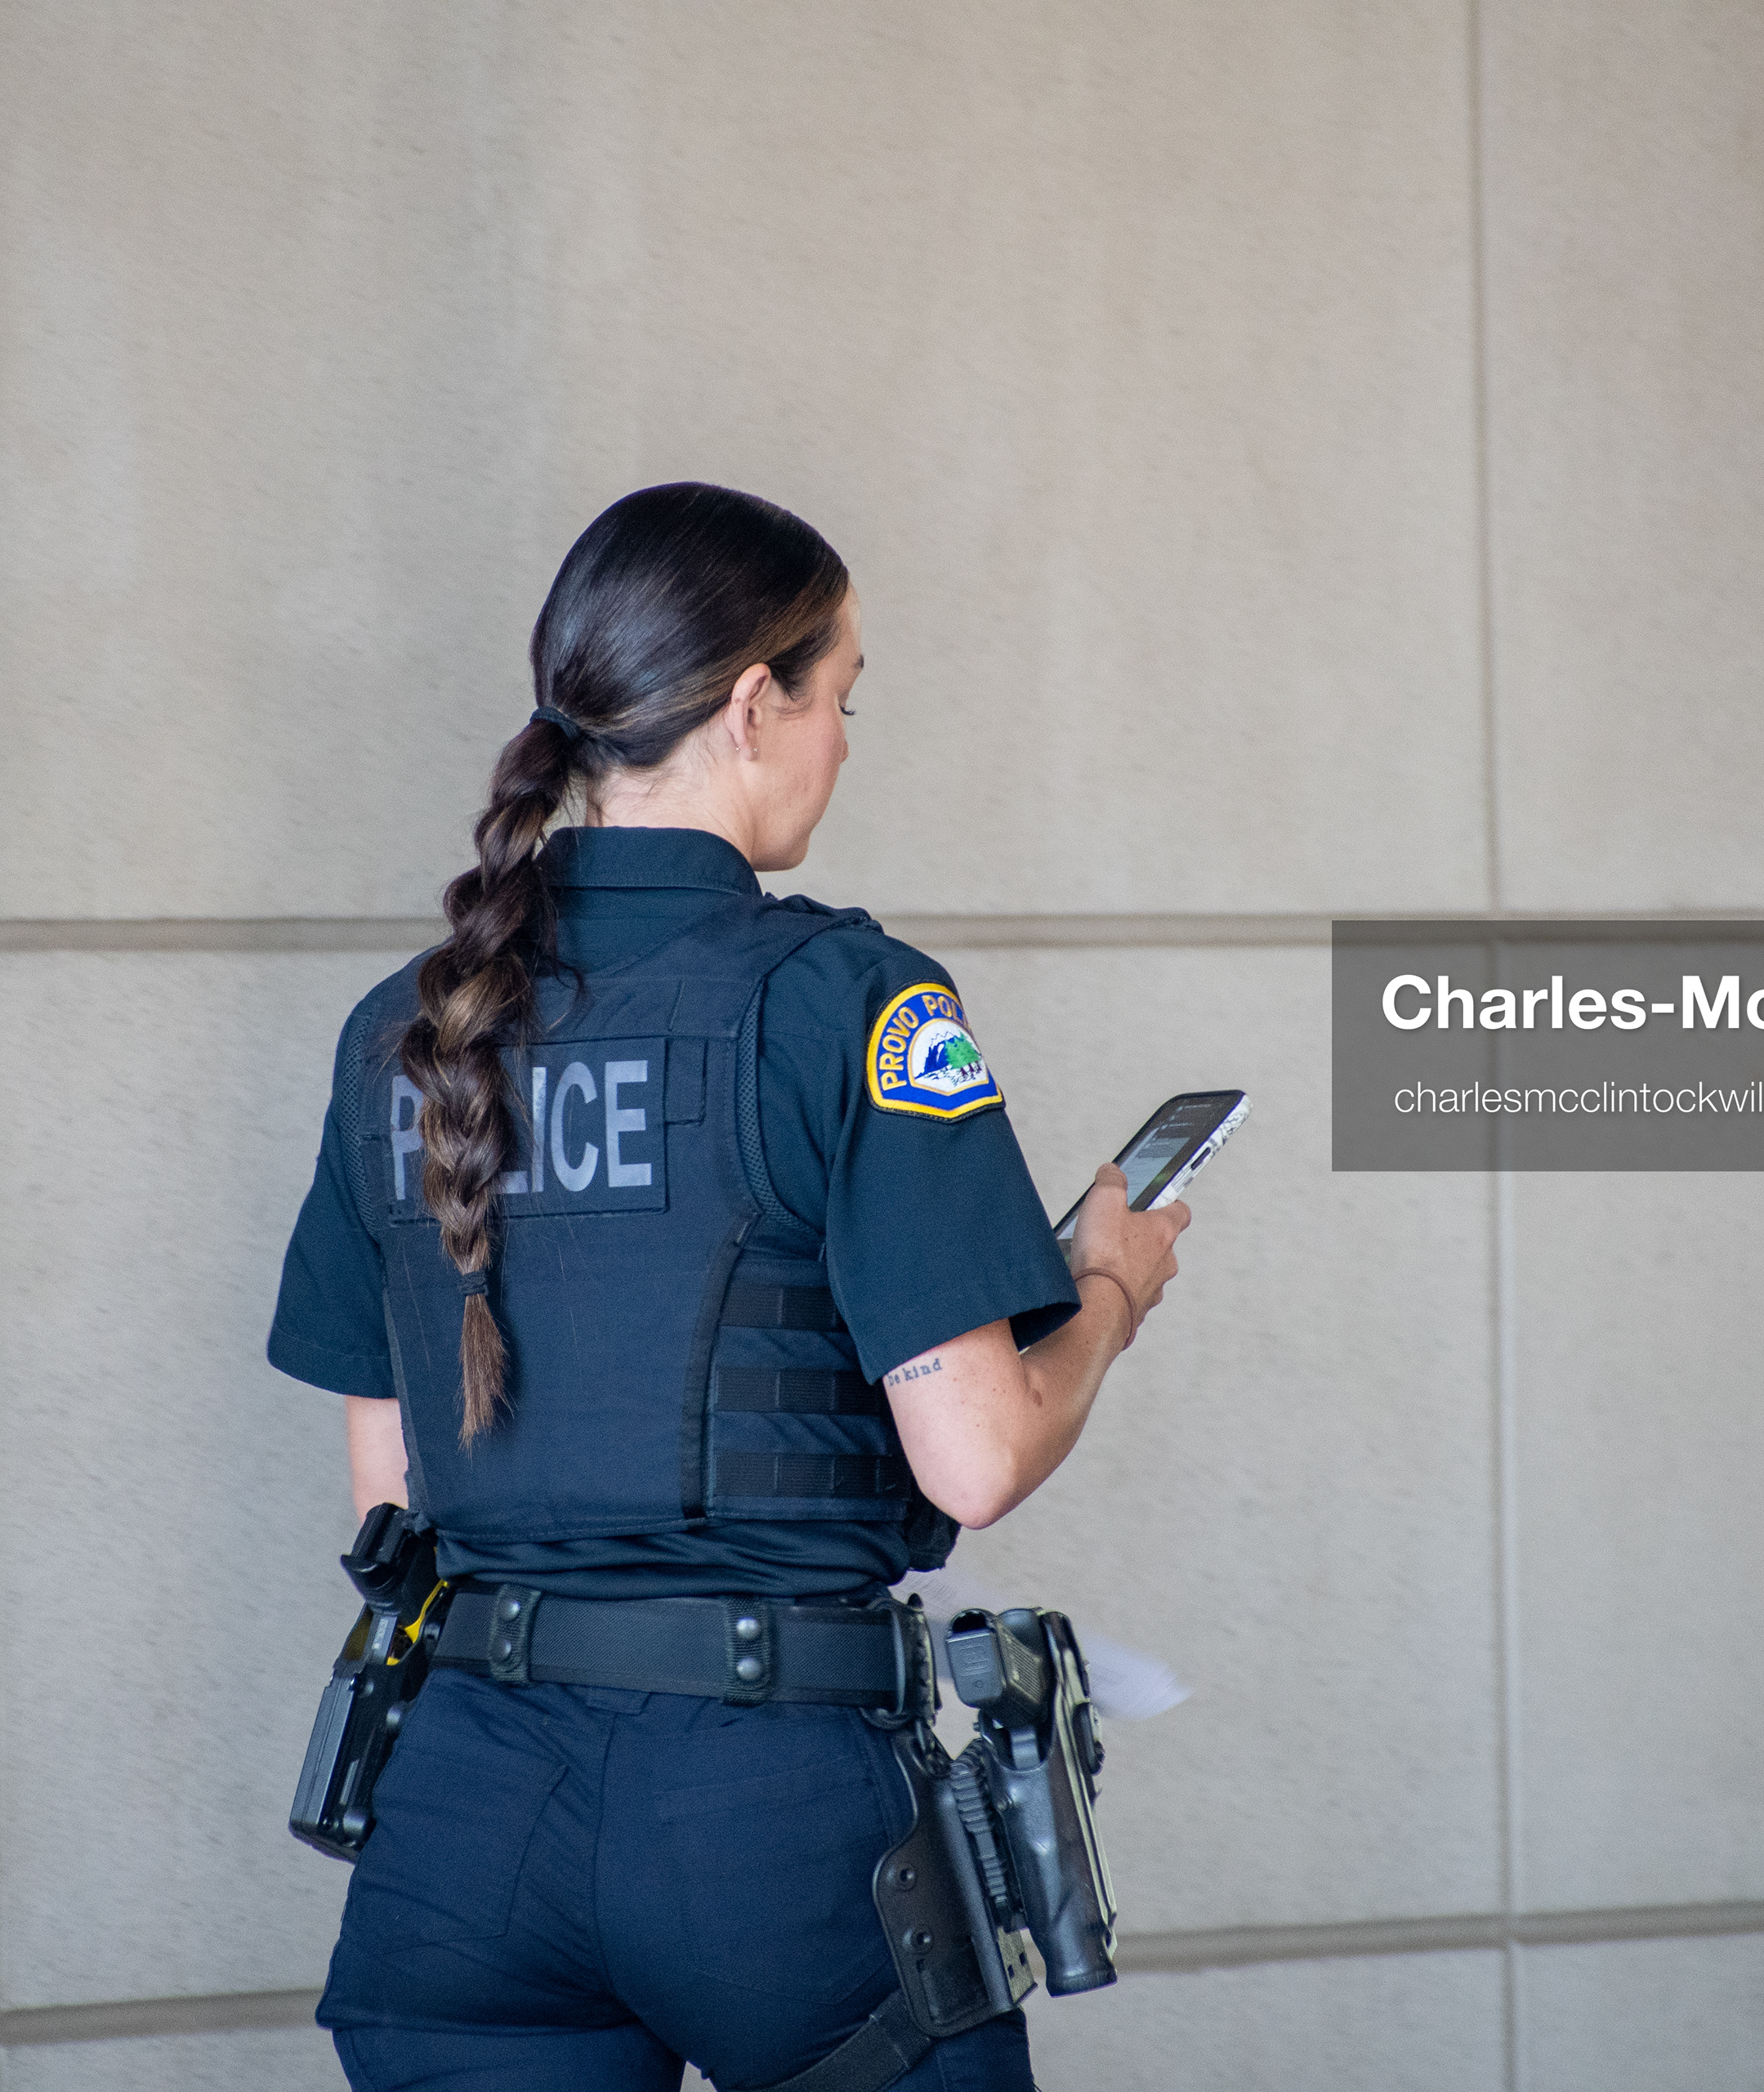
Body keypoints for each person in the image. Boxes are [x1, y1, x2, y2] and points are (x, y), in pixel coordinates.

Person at [266, 482, 1189, 2092]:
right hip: (772, 1825)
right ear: (755, 704)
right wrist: (1107, 1288)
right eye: (841, 701)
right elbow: (975, 1457)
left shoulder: (402, 1034)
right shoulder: (855, 1002)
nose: (843, 744)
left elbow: (392, 1490)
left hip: (467, 1823)